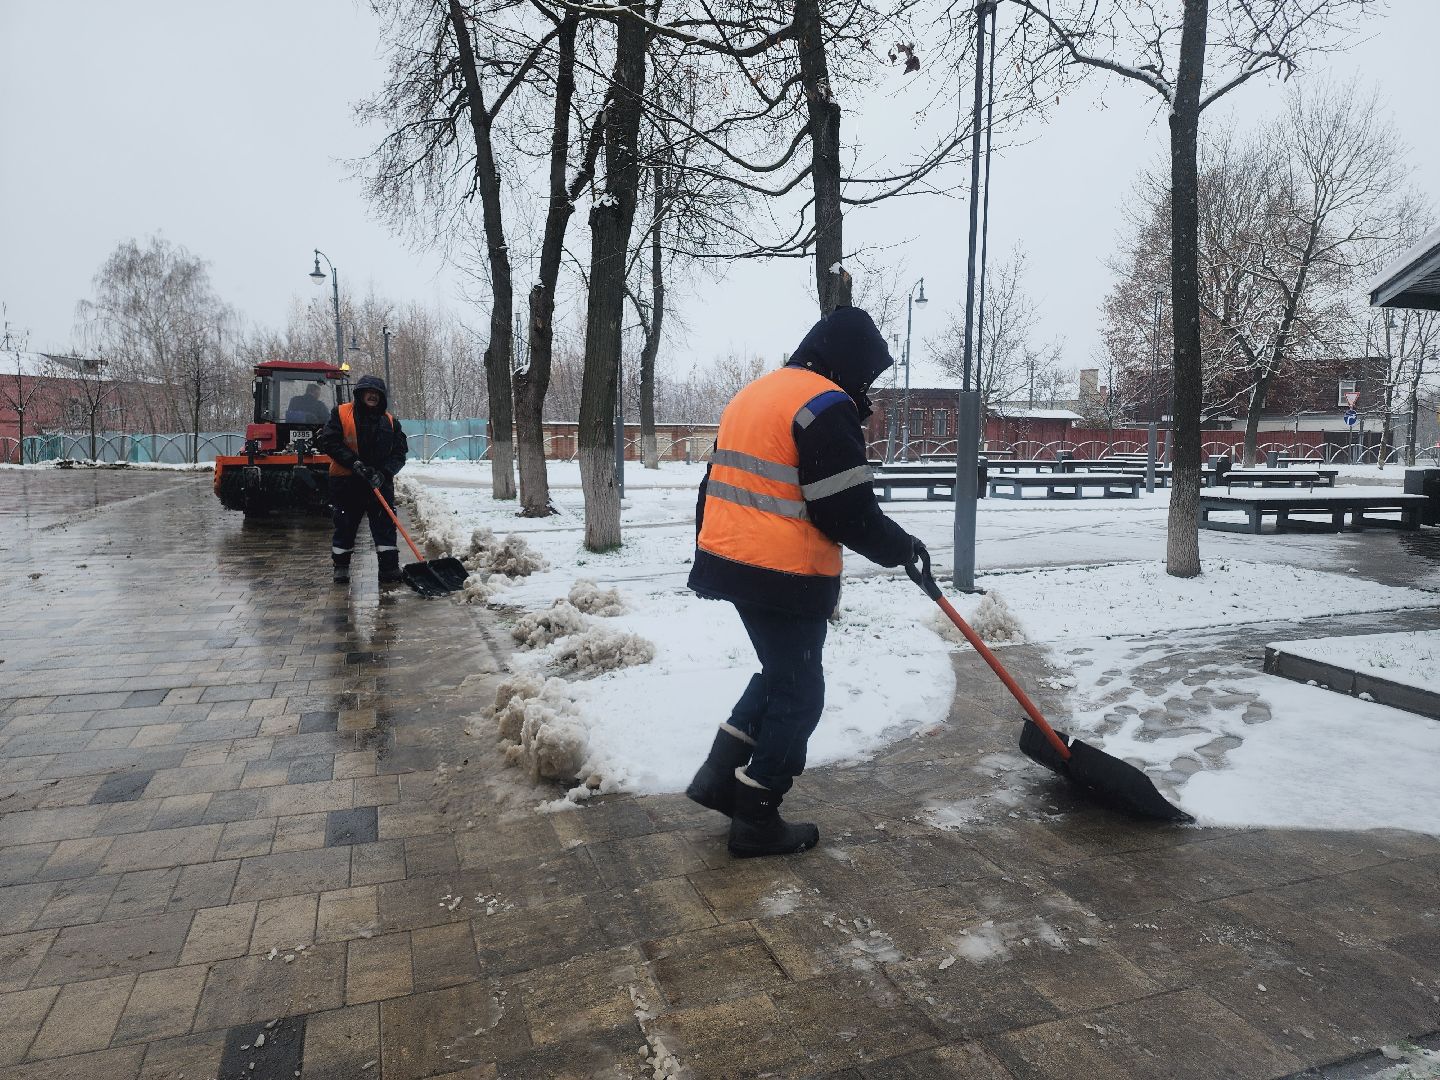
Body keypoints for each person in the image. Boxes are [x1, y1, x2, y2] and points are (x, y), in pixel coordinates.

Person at [686, 305, 926, 858]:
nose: (867, 387)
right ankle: (756, 814)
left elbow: (710, 485)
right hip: (782, 570)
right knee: (801, 694)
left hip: (733, 559)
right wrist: (899, 547)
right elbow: (845, 510)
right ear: (847, 362)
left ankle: (720, 777)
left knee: (781, 675)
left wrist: (712, 551)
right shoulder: (824, 405)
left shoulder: (759, 393)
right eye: (866, 374)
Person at [315, 375, 409, 585]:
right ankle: (341, 567)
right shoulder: (340, 413)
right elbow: (330, 441)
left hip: (379, 483)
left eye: (377, 393)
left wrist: (384, 473)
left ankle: (389, 569)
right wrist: (354, 463)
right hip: (348, 482)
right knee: (345, 524)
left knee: (385, 525)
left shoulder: (391, 422)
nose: (373, 395)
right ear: (360, 393)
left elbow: (400, 453)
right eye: (369, 391)